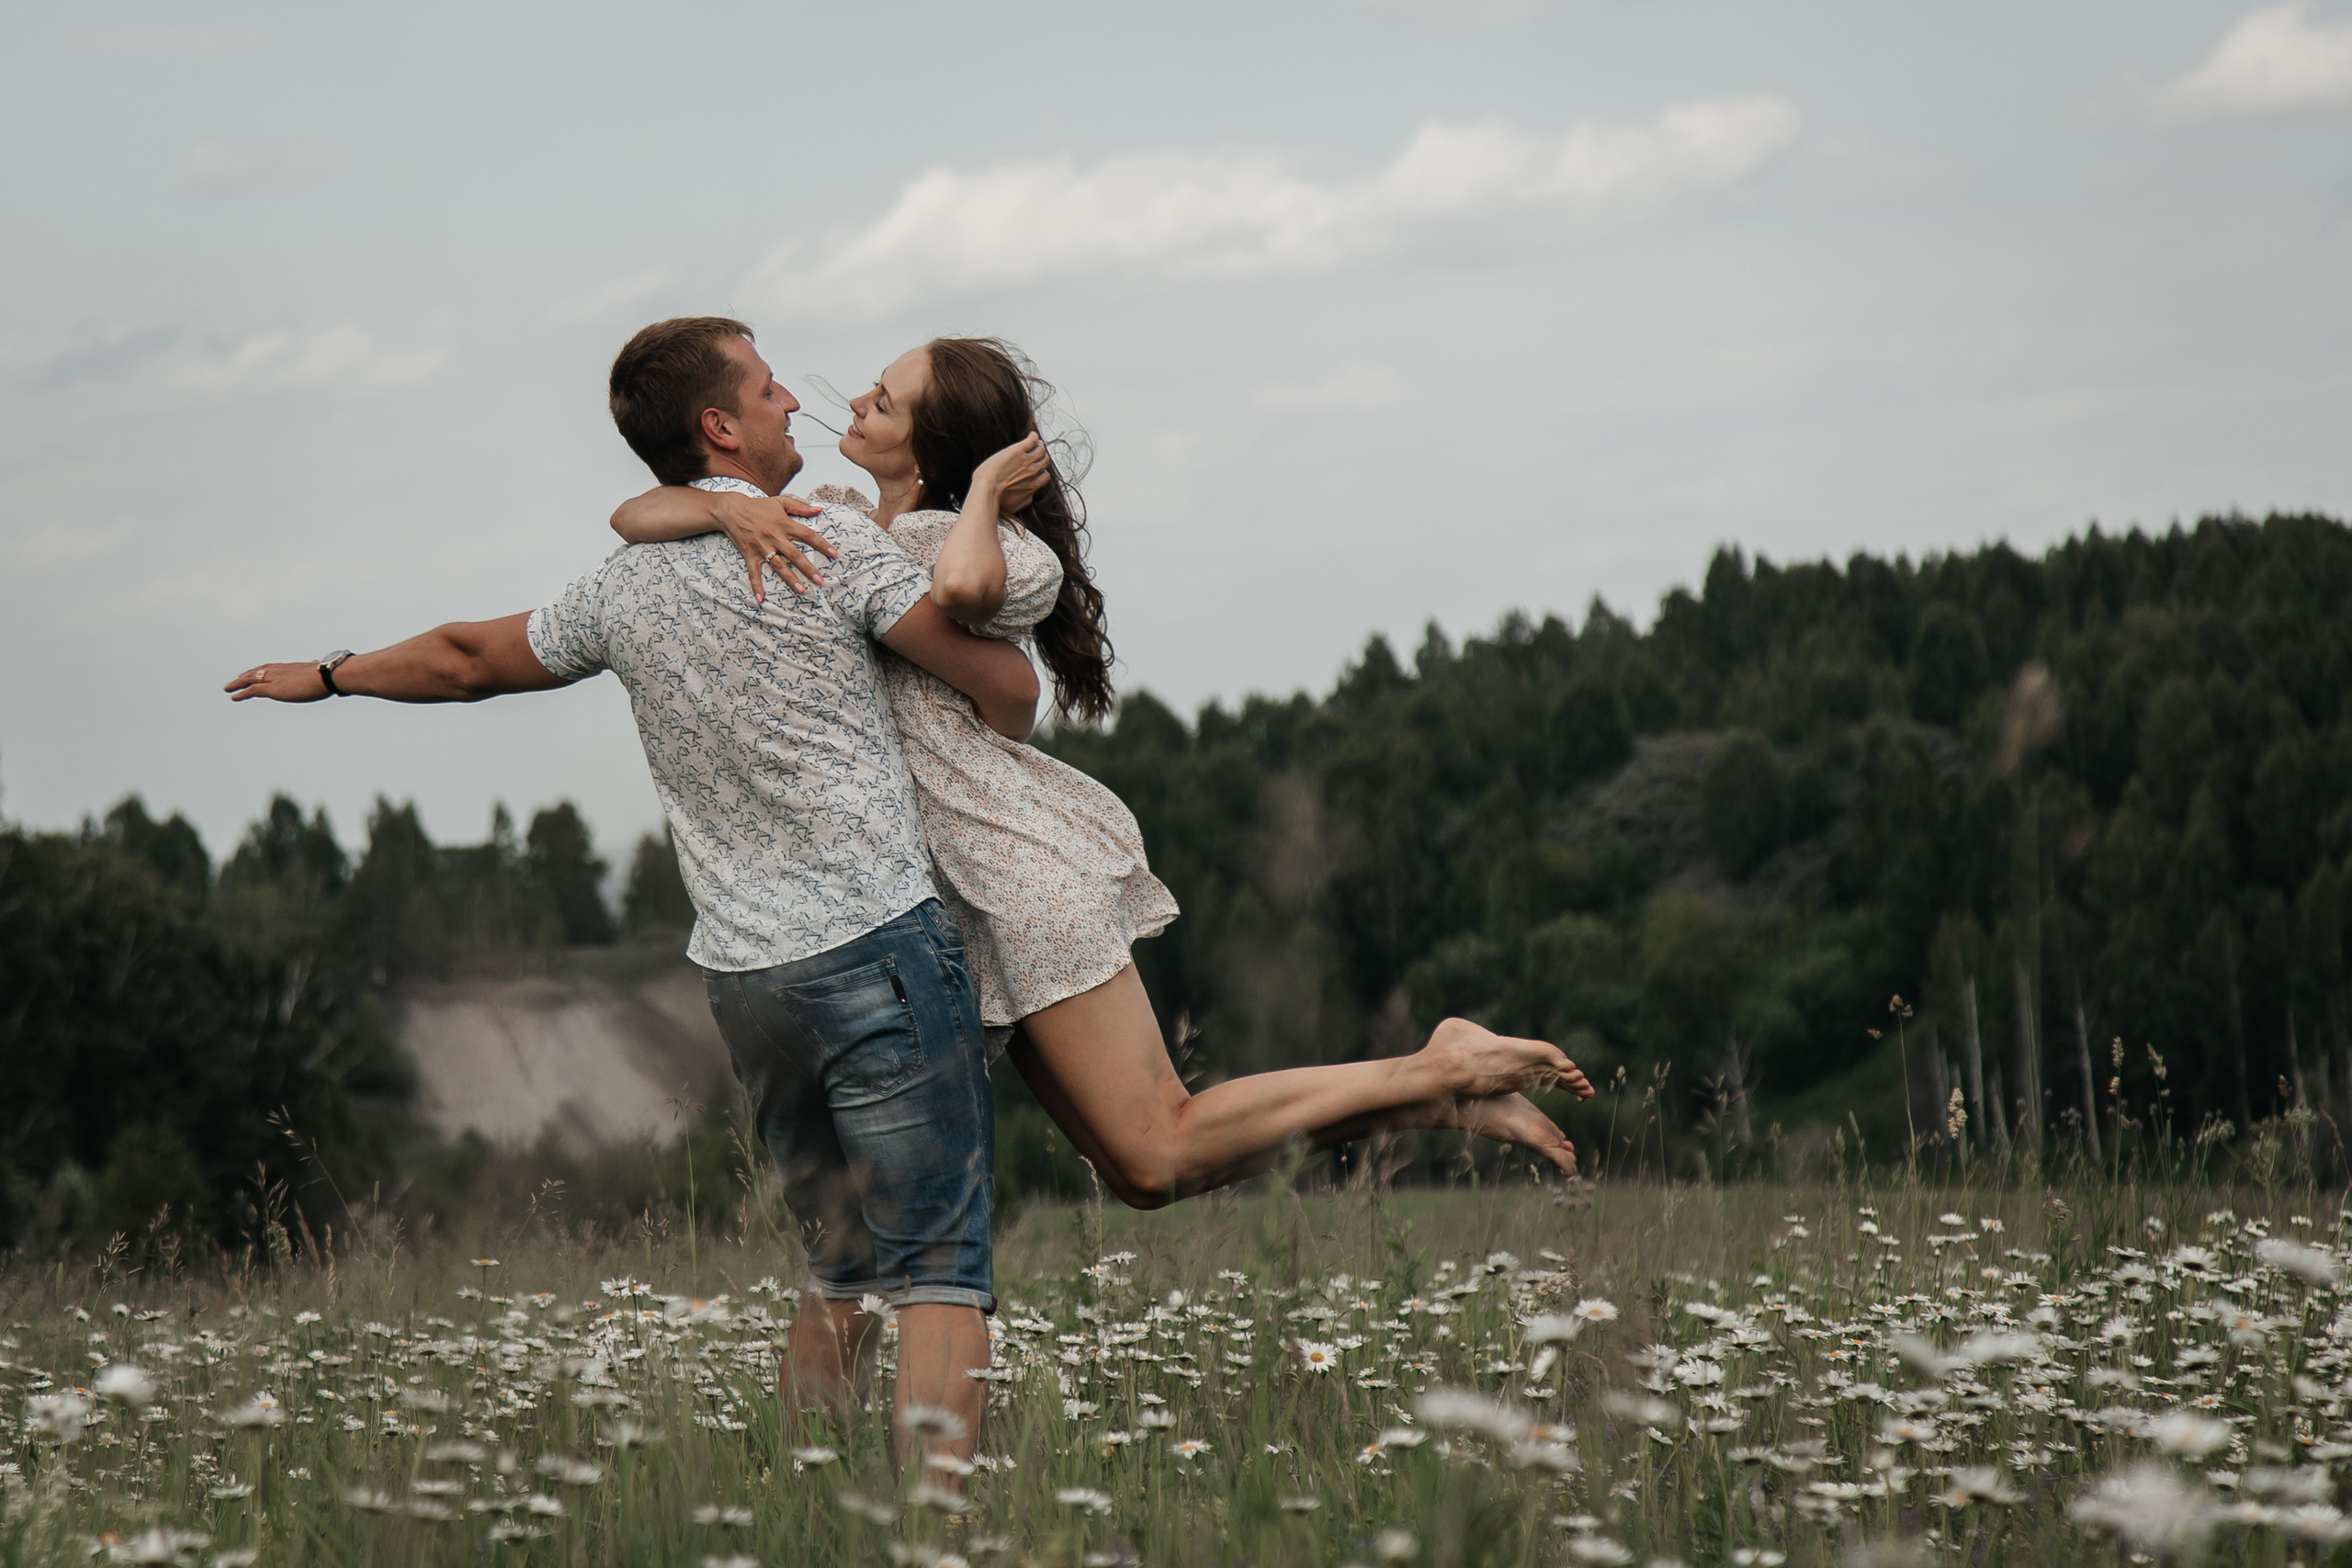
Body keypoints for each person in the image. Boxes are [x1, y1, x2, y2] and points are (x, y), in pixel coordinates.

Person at [224, 316, 1033, 1479]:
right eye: (765, 391)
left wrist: (333, 674)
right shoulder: (827, 547)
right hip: (877, 953)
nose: (791, 405)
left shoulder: (623, 588)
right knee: (942, 1273)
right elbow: (1004, 691)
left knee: (835, 1269)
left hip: (749, 982)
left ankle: (805, 1504)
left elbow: (465, 660)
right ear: (719, 428)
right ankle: (940, 1536)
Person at [609, 335, 1597, 1213]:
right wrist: (725, 514)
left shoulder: (1006, 552)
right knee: (1143, 1172)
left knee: (1160, 1141)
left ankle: (1440, 1071)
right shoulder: (823, 521)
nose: (852, 406)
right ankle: (1434, 1090)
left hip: (1012, 872)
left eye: (883, 400)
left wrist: (987, 494)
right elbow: (632, 512)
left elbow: (956, 587)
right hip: (944, 901)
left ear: (939, 445)